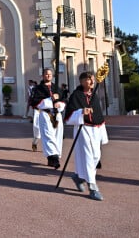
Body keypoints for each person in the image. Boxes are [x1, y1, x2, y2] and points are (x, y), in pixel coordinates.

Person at [64, 71, 109, 201]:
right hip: (83, 129)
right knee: (88, 157)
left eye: (93, 79)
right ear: (82, 81)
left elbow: (99, 115)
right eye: (89, 79)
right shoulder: (76, 96)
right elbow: (68, 117)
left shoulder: (94, 96)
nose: (92, 81)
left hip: (96, 130)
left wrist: (102, 132)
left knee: (96, 156)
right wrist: (81, 112)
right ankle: (93, 187)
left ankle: (78, 177)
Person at [30, 68, 65, 169]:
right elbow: (35, 102)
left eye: (50, 74)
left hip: (57, 114)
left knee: (57, 136)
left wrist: (60, 104)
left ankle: (53, 157)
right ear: (43, 76)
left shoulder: (56, 88)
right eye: (46, 74)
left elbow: (63, 100)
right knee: (48, 136)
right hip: (46, 114)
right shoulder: (38, 89)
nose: (48, 76)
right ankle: (54, 158)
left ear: (52, 76)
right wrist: (51, 100)